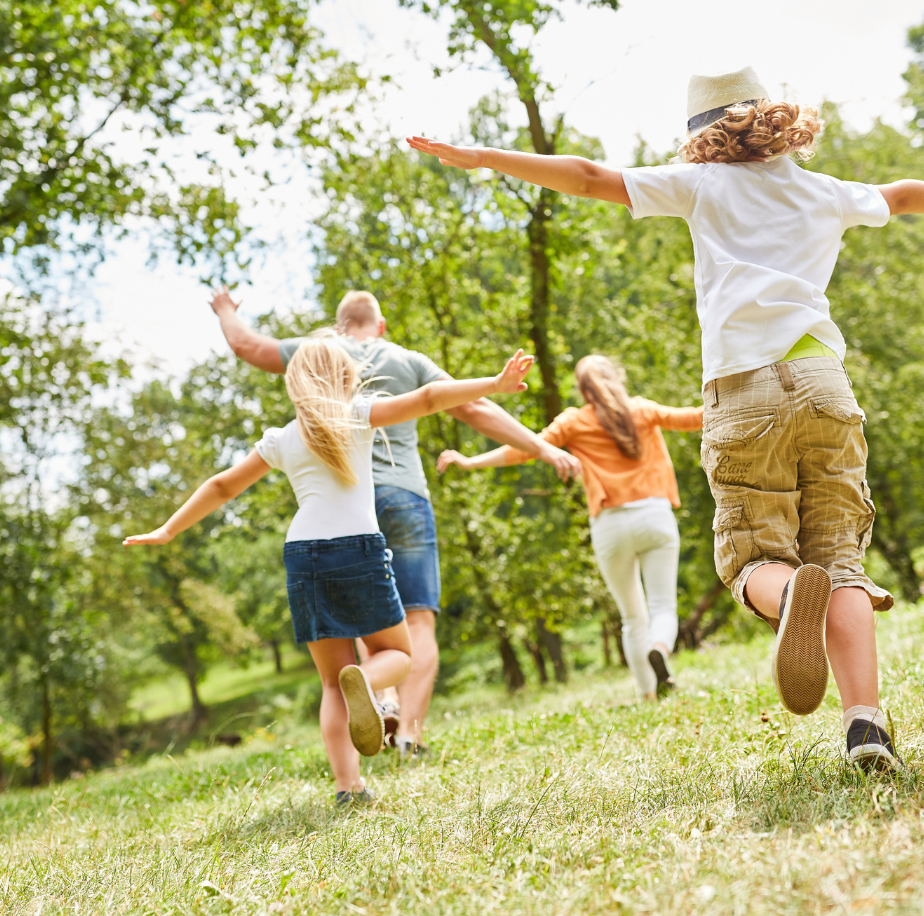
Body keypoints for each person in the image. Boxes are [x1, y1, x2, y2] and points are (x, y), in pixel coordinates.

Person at [407, 65, 924, 770]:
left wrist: (485, 156)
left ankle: (788, 593)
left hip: (744, 390)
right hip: (824, 383)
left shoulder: (702, 185)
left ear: (702, 136)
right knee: (840, 561)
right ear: (771, 119)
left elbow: (588, 177)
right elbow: (899, 195)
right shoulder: (821, 190)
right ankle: (865, 727)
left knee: (750, 557)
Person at [124, 338, 536, 805]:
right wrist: (494, 383)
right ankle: (366, 680)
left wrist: (168, 529)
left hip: (303, 554)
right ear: (346, 378)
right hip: (358, 548)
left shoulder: (281, 438)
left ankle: (347, 787)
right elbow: (427, 398)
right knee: (399, 654)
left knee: (330, 682)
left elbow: (222, 486)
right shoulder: (357, 415)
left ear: (295, 384)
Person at [209, 287, 580, 759]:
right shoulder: (407, 359)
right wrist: (541, 446)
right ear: (380, 326)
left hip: (343, 509)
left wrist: (225, 310)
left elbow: (247, 346)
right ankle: (410, 735)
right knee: (417, 621)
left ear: (339, 326)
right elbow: (470, 406)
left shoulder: (317, 352)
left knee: (369, 619)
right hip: (404, 497)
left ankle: (380, 700)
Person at [438, 354, 703, 700]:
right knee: (662, 607)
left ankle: (647, 695)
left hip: (610, 526)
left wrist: (471, 461)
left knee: (632, 617)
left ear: (582, 389)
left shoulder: (574, 421)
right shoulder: (643, 410)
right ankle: (660, 648)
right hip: (654, 516)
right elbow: (696, 417)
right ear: (616, 378)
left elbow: (526, 448)